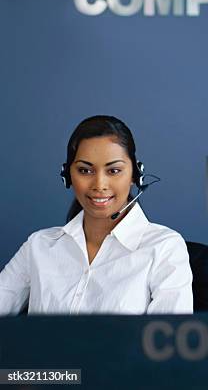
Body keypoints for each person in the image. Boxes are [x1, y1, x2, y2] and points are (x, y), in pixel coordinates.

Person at [0, 115, 193, 315]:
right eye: (85, 170)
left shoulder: (164, 248)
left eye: (114, 170)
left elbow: (167, 342)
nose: (99, 185)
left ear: (135, 175)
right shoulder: (39, 245)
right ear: (67, 176)